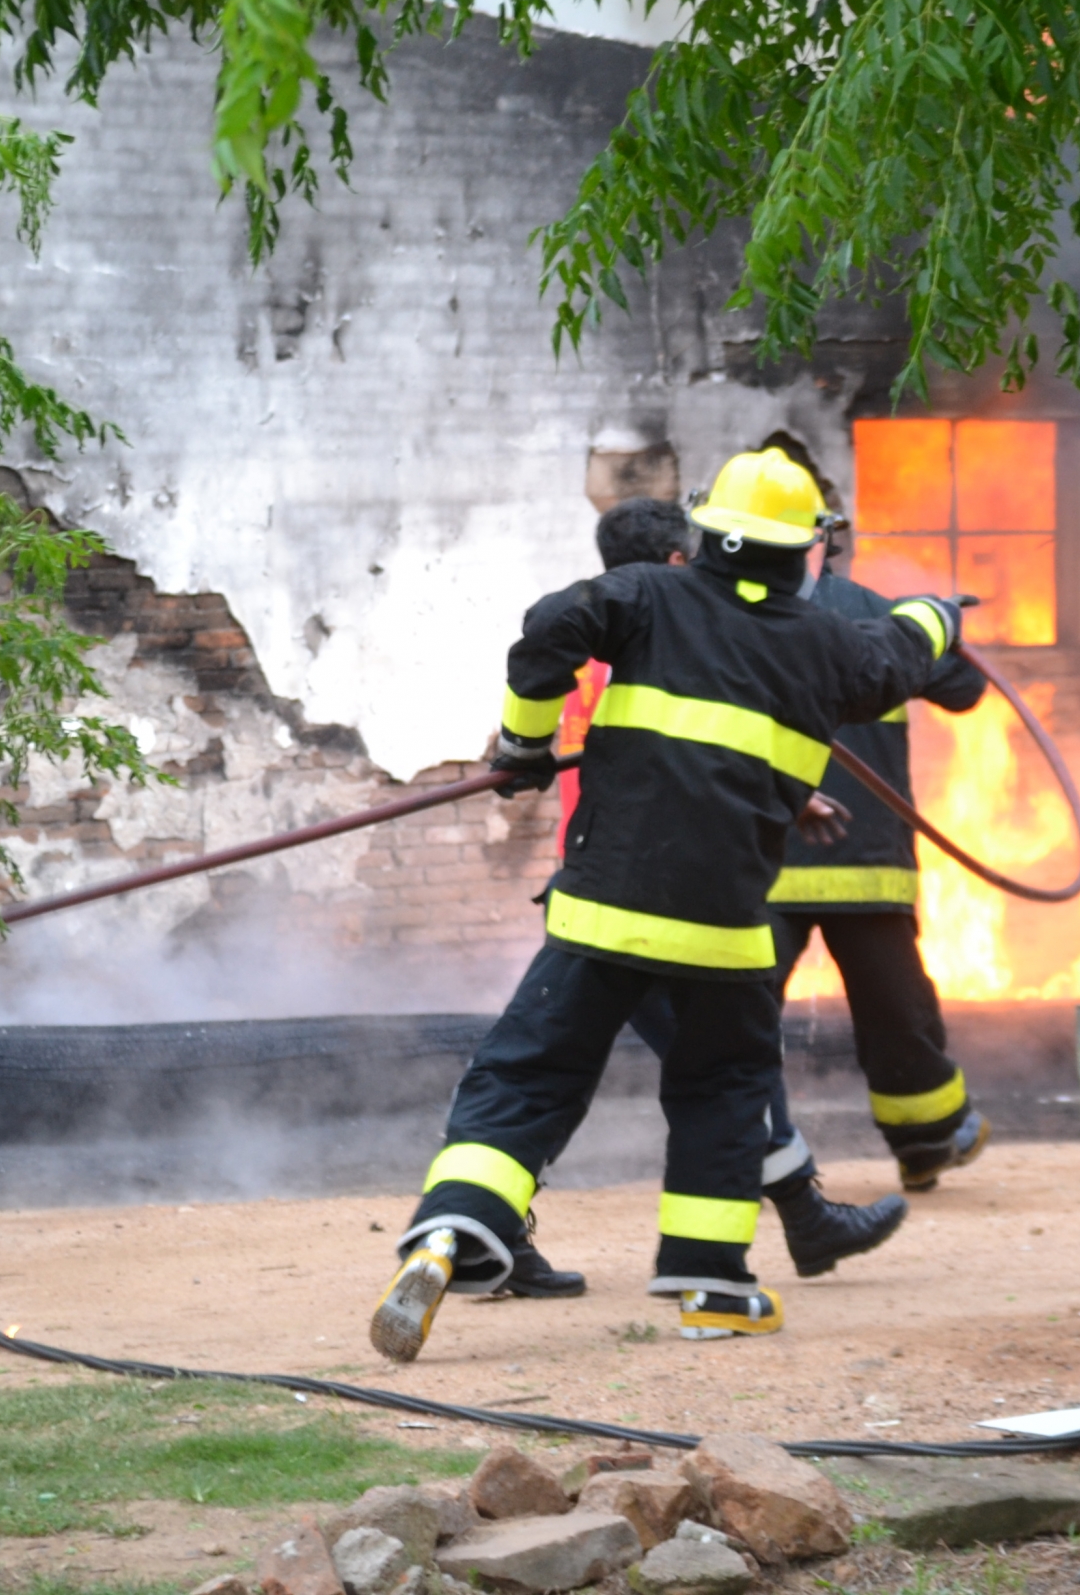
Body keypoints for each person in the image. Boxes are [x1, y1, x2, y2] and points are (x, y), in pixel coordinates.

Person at [368, 449, 965, 1360]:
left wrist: (524, 745)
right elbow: (903, 652)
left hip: (598, 912)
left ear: (708, 530)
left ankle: (452, 1232)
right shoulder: (828, 648)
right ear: (804, 551)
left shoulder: (647, 596)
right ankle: (713, 1283)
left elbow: (548, 626)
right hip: (723, 929)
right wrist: (939, 613)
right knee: (725, 1089)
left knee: (528, 1077)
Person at [766, 523, 996, 1190]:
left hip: (772, 863)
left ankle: (921, 1138)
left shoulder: (727, 620)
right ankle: (926, 1138)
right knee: (897, 1017)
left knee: (742, 1021)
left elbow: (960, 690)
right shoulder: (880, 616)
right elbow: (964, 689)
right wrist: (937, 628)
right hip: (860, 861)